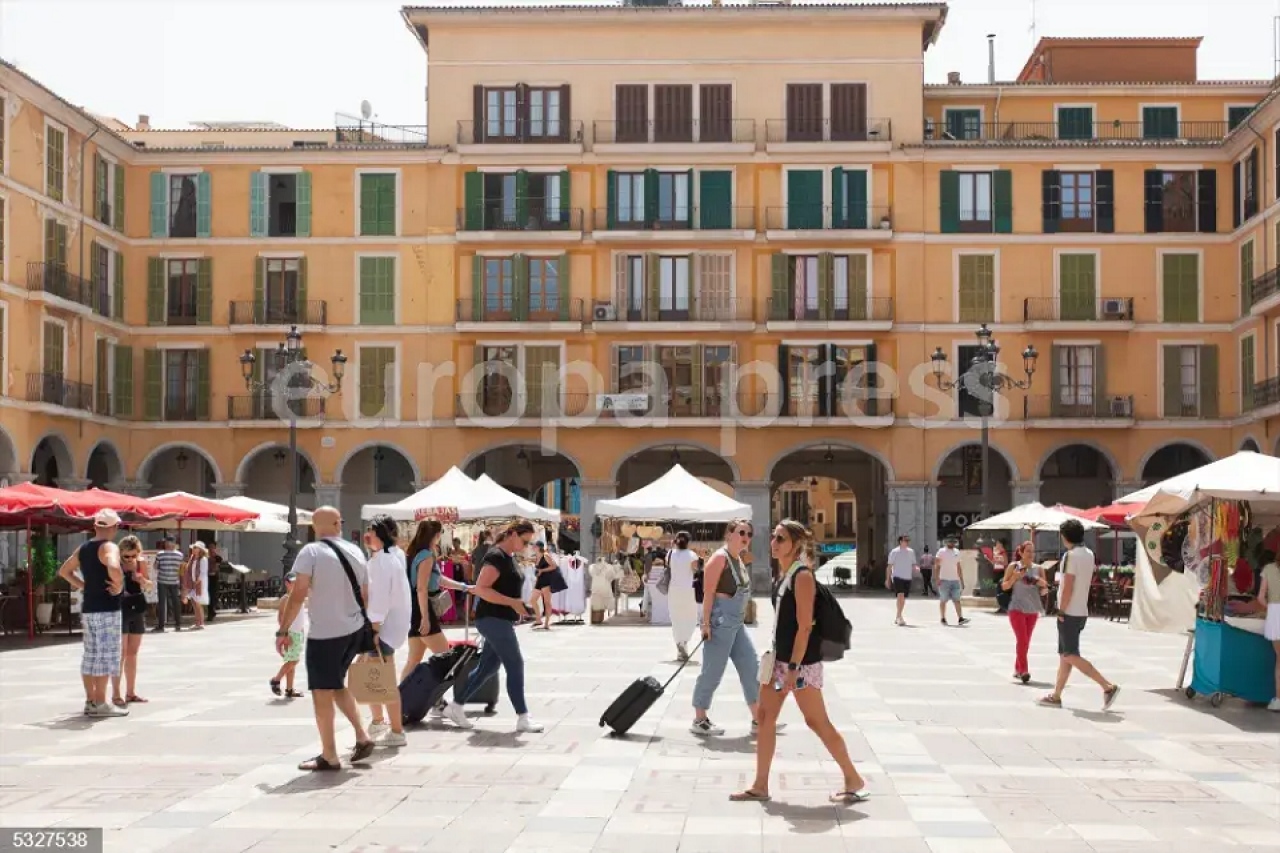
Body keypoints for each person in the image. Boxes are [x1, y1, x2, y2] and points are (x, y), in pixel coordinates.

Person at [731, 519, 867, 804]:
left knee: (817, 722)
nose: (774, 543)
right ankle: (760, 785)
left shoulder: (802, 577)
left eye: (780, 538)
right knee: (765, 718)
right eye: (773, 537)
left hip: (800, 664)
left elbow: (805, 627)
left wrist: (793, 668)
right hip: (778, 662)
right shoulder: (784, 575)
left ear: (795, 544)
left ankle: (853, 777)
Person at [275, 506, 376, 771]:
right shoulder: (356, 551)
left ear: (314, 526)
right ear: (337, 524)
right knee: (336, 684)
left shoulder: (310, 552)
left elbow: (298, 594)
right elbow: (366, 595)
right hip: (354, 629)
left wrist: (283, 630)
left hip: (325, 633)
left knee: (321, 692)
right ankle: (362, 735)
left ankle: (329, 755)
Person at [443, 522, 544, 733]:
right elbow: (481, 589)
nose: (526, 546)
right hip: (492, 619)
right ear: (512, 534)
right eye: (525, 541)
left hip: (499, 619)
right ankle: (523, 716)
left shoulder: (508, 557)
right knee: (515, 663)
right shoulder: (496, 556)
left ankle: (456, 706)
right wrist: (512, 603)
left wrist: (517, 606)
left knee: (487, 668)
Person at [690, 520, 771, 737]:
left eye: (749, 534)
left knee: (750, 667)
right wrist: (705, 624)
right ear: (729, 534)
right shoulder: (719, 558)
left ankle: (758, 718)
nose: (746, 537)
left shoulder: (739, 560)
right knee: (713, 670)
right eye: (741, 532)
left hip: (737, 624)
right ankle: (699, 719)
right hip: (720, 623)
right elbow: (708, 594)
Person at [1039, 519, 1120, 710]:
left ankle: (1107, 686)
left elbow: (1068, 584)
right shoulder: (1089, 554)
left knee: (1070, 654)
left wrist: (1061, 609)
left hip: (1069, 611)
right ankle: (1056, 695)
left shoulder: (1070, 556)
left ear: (1065, 537)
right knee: (1065, 655)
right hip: (1081, 610)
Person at [57, 509, 127, 717]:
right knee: (105, 656)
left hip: (89, 608)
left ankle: (90, 701)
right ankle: (101, 702)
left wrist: (84, 586)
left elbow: (64, 571)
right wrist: (118, 584)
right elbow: (113, 566)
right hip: (107, 608)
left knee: (90, 655)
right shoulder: (109, 547)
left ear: (95, 526)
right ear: (114, 527)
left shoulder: (84, 548)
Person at [363, 514, 412, 748]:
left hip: (382, 628)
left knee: (381, 679)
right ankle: (379, 722)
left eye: (370, 531)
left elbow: (380, 599)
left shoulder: (382, 561)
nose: (367, 535)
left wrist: (373, 629)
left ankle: (394, 729)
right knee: (373, 677)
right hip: (390, 627)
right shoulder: (393, 556)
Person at [111, 535, 152, 707]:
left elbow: (149, 586)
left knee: (132, 653)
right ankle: (116, 694)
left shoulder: (141, 563)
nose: (129, 559)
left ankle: (131, 692)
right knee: (120, 653)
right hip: (120, 608)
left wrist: (141, 580)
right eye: (126, 556)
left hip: (137, 608)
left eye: (133, 555)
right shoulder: (114, 564)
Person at [1002, 541, 1047, 684]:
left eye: (1032, 551)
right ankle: (1024, 671)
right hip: (1016, 608)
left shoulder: (1039, 569)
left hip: (1033, 610)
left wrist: (1043, 586)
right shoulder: (1013, 566)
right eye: (1027, 551)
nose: (1031, 554)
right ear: (1021, 552)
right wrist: (1014, 578)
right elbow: (1004, 586)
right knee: (1022, 640)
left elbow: (1044, 589)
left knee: (1026, 642)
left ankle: (1017, 667)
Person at [271, 572, 308, 699]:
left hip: (297, 633)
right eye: (292, 582)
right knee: (294, 660)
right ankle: (276, 680)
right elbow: (281, 618)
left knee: (291, 662)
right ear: (287, 583)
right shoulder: (286, 599)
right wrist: (285, 634)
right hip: (290, 633)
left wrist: (301, 631)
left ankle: (289, 689)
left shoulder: (298, 597)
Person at [667, 531, 699, 661]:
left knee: (676, 618)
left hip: (673, 589)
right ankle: (684, 642)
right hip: (687, 589)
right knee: (690, 617)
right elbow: (695, 570)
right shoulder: (692, 555)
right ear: (688, 542)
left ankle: (679, 644)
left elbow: (668, 566)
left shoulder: (670, 553)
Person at [1255, 556, 1280, 711]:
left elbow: (1260, 597)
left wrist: (1271, 608)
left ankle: (1278, 699)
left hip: (1275, 615)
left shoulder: (1269, 569)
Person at [531, 541, 567, 631]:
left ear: (539, 547)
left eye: (534, 546)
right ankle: (538, 619)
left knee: (547, 602)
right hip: (540, 580)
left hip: (547, 581)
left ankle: (546, 624)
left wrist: (542, 570)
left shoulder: (545, 555)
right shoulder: (537, 556)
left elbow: (554, 566)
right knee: (532, 600)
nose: (533, 547)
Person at [152, 536, 184, 633]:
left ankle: (161, 626)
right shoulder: (180, 555)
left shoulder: (160, 554)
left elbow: (155, 566)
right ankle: (178, 624)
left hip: (162, 581)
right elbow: (181, 570)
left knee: (162, 603)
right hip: (174, 581)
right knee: (176, 603)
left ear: (166, 543)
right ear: (174, 544)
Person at [935, 538, 969, 626]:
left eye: (953, 542)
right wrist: (937, 578)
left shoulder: (957, 552)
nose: (952, 543)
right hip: (944, 579)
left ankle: (960, 618)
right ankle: (943, 617)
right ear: (947, 542)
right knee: (943, 600)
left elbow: (958, 566)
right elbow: (937, 565)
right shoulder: (941, 551)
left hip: (955, 580)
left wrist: (962, 580)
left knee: (957, 600)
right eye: (950, 542)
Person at [885, 535, 917, 627]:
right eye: (905, 540)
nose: (907, 542)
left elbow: (913, 564)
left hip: (907, 577)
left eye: (908, 541)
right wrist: (887, 579)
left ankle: (898, 615)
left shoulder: (911, 552)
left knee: (903, 598)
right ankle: (899, 617)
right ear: (900, 541)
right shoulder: (894, 552)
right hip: (897, 576)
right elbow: (889, 566)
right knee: (900, 595)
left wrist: (916, 568)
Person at [187, 541, 210, 630]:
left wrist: (198, 581)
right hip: (193, 582)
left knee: (198, 603)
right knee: (194, 603)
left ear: (200, 549)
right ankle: (197, 622)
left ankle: (201, 623)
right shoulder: (193, 559)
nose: (193, 549)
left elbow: (203, 572)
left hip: (200, 583)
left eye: (195, 548)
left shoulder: (203, 559)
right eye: (193, 547)